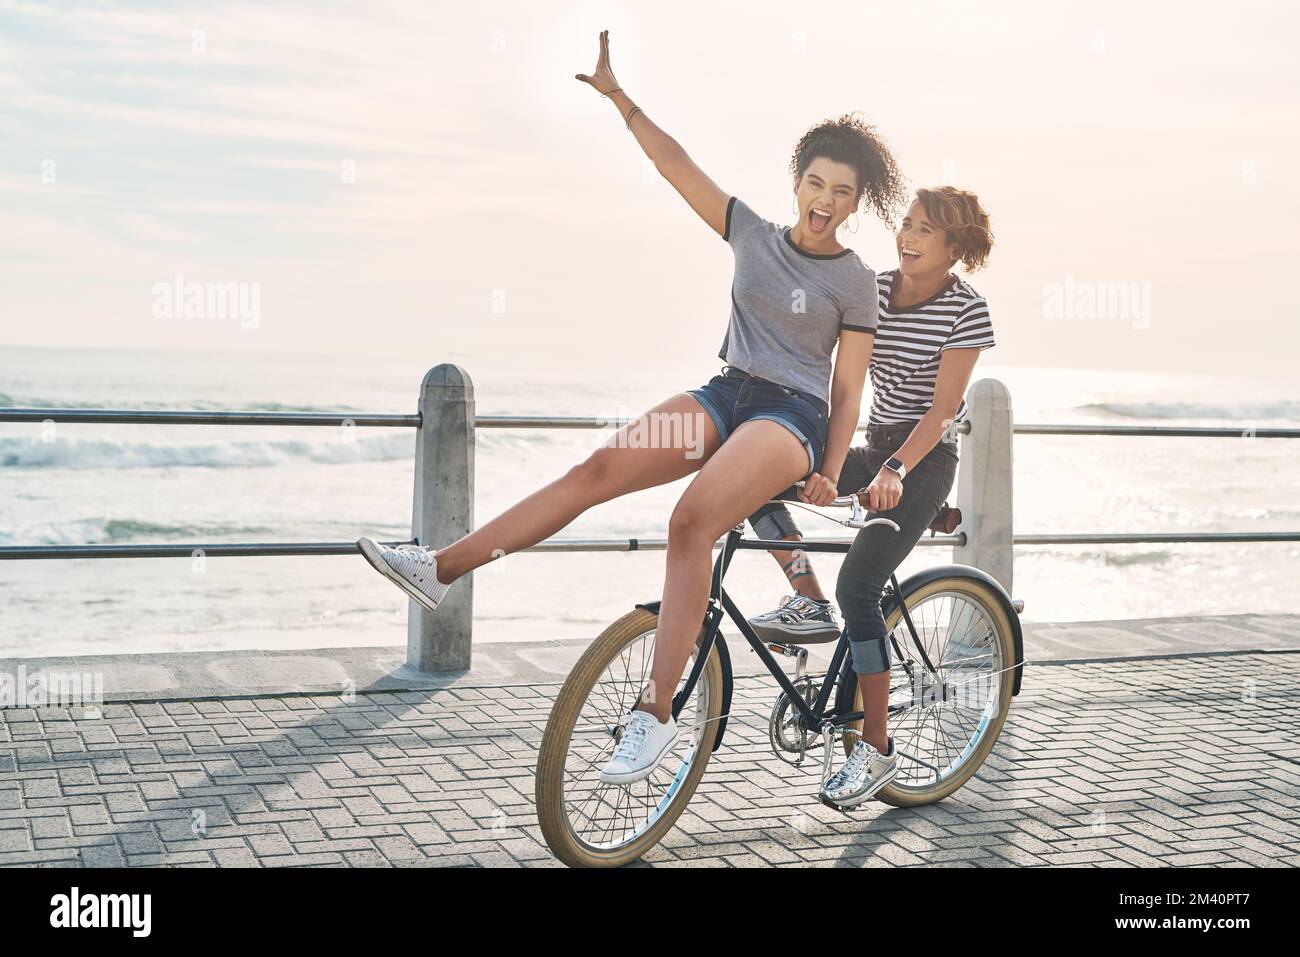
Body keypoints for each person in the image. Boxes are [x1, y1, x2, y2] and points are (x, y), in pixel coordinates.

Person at [355, 30, 907, 786]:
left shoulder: (856, 279)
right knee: (597, 467)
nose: (826, 201)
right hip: (726, 391)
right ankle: (442, 566)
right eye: (816, 182)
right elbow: (673, 165)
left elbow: (848, 389)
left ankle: (653, 717)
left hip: (792, 420)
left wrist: (831, 467)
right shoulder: (749, 231)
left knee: (690, 520)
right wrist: (622, 102)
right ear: (797, 180)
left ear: (856, 201)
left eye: (842, 192)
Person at [742, 185, 996, 806]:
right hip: (872, 447)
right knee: (755, 484)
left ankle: (878, 752)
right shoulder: (872, 291)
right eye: (904, 225)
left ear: (954, 247)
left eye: (924, 231)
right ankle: (808, 599)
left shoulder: (967, 310)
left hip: (924, 459)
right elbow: (841, 379)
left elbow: (942, 411)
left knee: (861, 585)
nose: (906, 238)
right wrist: (825, 461)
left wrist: (897, 473)